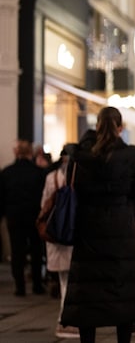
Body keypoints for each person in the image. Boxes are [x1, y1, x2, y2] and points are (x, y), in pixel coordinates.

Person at [60, 107, 135, 343]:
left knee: (88, 293)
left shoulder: (80, 157)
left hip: (88, 228)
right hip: (121, 228)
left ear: (96, 126)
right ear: (121, 128)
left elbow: (71, 186)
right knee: (122, 290)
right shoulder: (132, 158)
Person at [40, 144, 78, 338]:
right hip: (72, 233)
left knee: (64, 279)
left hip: (55, 234)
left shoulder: (51, 177)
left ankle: (64, 319)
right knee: (72, 280)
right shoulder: (77, 177)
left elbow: (44, 205)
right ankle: (67, 320)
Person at [0, 139, 46, 297]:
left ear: (16, 152)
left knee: (17, 251)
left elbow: (1, 197)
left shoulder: (6, 173)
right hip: (34, 216)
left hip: (14, 217)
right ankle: (37, 284)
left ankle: (20, 286)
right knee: (36, 250)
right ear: (30, 153)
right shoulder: (38, 173)